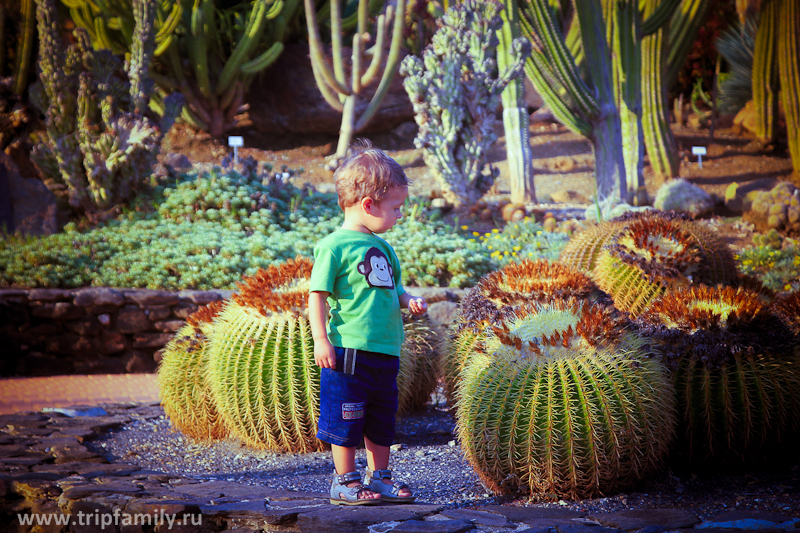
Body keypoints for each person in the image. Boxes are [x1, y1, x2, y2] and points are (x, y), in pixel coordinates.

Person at [308, 144, 428, 506]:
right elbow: (317, 294)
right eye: (396, 208)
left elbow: (394, 288)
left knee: (381, 418)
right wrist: (321, 340)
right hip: (348, 351)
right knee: (345, 416)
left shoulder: (384, 247)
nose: (400, 215)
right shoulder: (334, 247)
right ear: (368, 205)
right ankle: (344, 481)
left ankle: (381, 478)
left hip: (385, 350)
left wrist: (409, 301)